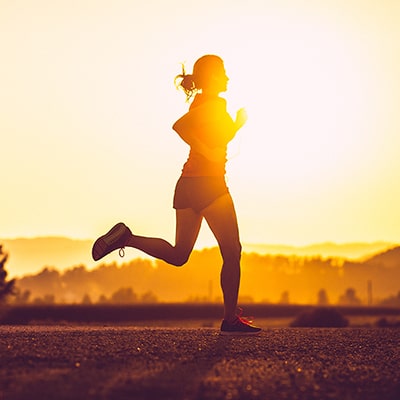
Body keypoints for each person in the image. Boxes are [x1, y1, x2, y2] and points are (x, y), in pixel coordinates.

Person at [92, 55, 261, 335]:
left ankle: (127, 238)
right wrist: (208, 150)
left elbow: (217, 139)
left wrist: (236, 126)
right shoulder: (213, 103)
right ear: (212, 77)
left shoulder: (205, 103)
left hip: (187, 185)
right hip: (210, 185)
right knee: (233, 252)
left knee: (180, 254)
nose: (228, 77)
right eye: (223, 72)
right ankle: (230, 320)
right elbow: (181, 126)